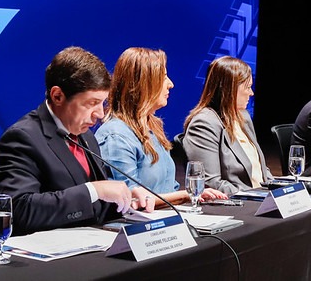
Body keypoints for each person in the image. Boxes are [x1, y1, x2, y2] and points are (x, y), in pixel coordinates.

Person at [0, 46, 154, 236]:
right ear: (58, 96)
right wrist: (94, 190)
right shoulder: (22, 138)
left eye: (102, 103)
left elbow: (93, 207)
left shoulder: (86, 135)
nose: (101, 114)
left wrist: (127, 200)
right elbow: (19, 210)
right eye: (92, 103)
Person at [95, 47, 227, 206]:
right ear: (144, 84)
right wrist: (186, 194)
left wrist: (188, 195)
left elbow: (168, 187)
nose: (171, 84)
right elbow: (131, 199)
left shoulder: (152, 128)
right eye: (163, 77)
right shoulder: (115, 136)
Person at [182, 56, 273, 195]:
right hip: (236, 204)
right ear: (230, 89)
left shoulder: (243, 116)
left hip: (259, 197)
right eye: (247, 87)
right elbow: (211, 183)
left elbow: (261, 170)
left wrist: (277, 189)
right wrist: (257, 195)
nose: (251, 93)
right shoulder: (204, 124)